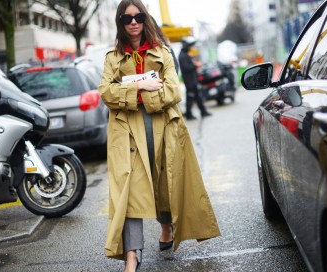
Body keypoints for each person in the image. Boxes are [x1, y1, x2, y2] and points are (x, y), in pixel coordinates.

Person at [98, 1, 221, 271]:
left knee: (164, 179)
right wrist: (141, 87)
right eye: (127, 18)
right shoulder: (111, 57)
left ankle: (166, 226)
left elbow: (173, 92)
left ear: (146, 19)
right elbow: (106, 93)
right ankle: (132, 255)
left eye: (139, 16)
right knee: (130, 189)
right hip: (127, 130)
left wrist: (129, 92)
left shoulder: (162, 51)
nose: (133, 22)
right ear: (120, 21)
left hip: (163, 125)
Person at [178, 36, 212, 120]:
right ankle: (189, 114)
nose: (190, 47)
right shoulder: (182, 56)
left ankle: (202, 111)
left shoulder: (186, 54)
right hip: (189, 81)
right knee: (191, 97)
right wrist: (196, 65)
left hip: (192, 79)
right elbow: (186, 68)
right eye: (189, 46)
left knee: (197, 96)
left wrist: (194, 62)